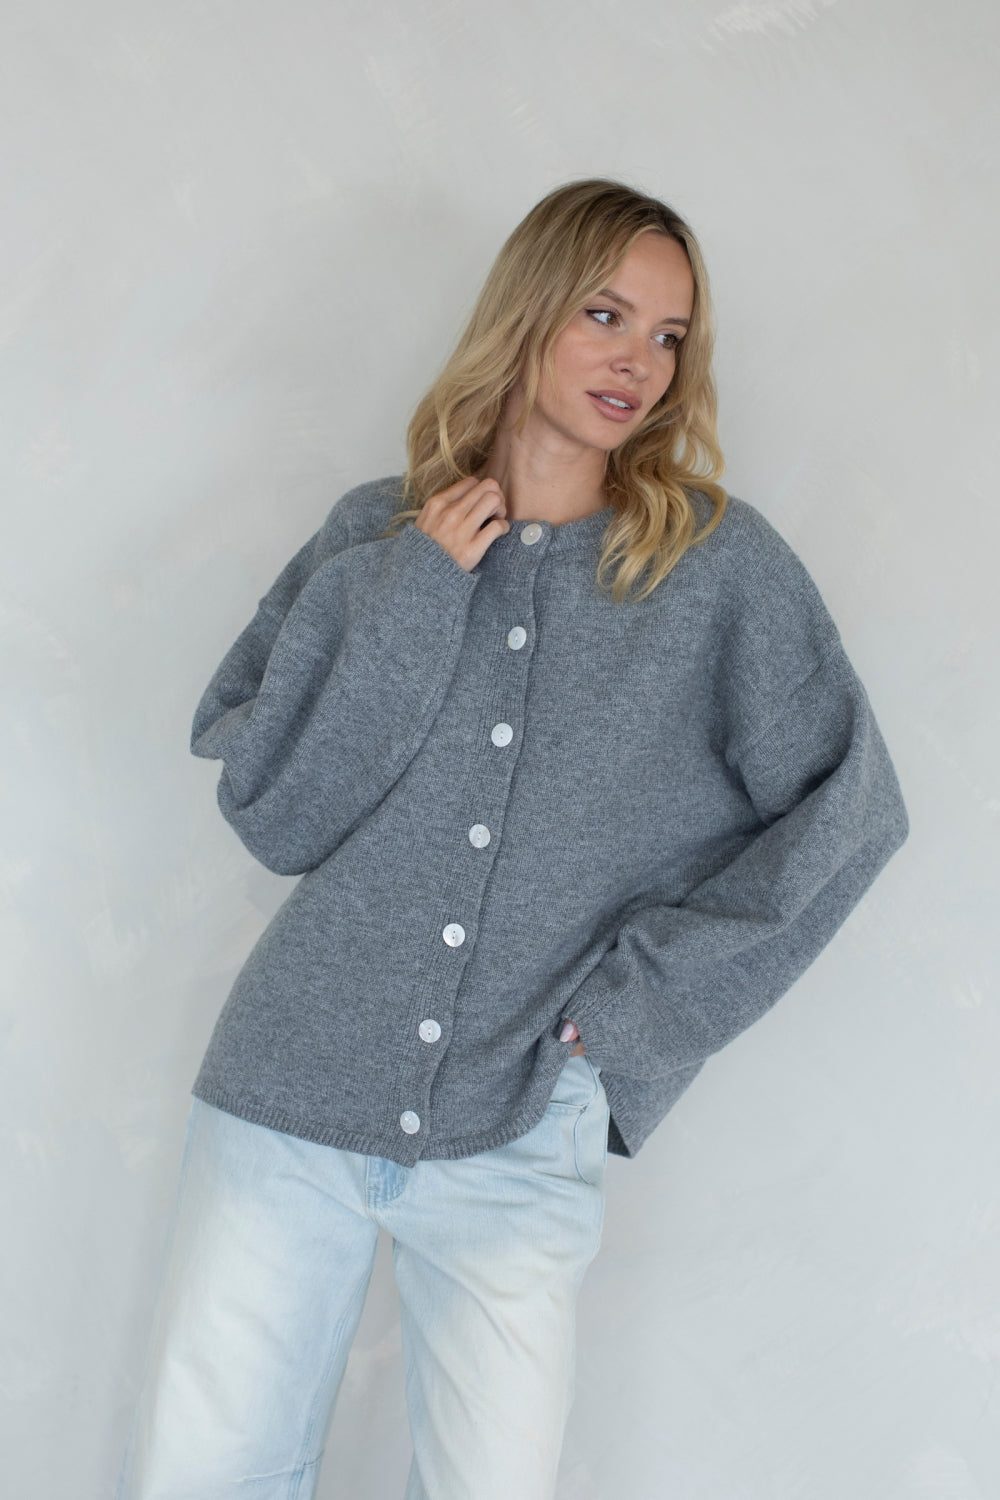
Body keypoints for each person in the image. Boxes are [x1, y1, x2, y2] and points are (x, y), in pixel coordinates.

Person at [114, 178, 909, 1500]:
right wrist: (417, 590)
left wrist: (631, 1017)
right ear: (529, 310)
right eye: (606, 314)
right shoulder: (376, 535)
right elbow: (276, 812)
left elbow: (853, 810)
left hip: (524, 1124)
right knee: (210, 1476)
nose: (638, 361)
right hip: (283, 1101)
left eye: (669, 335)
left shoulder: (713, 569)